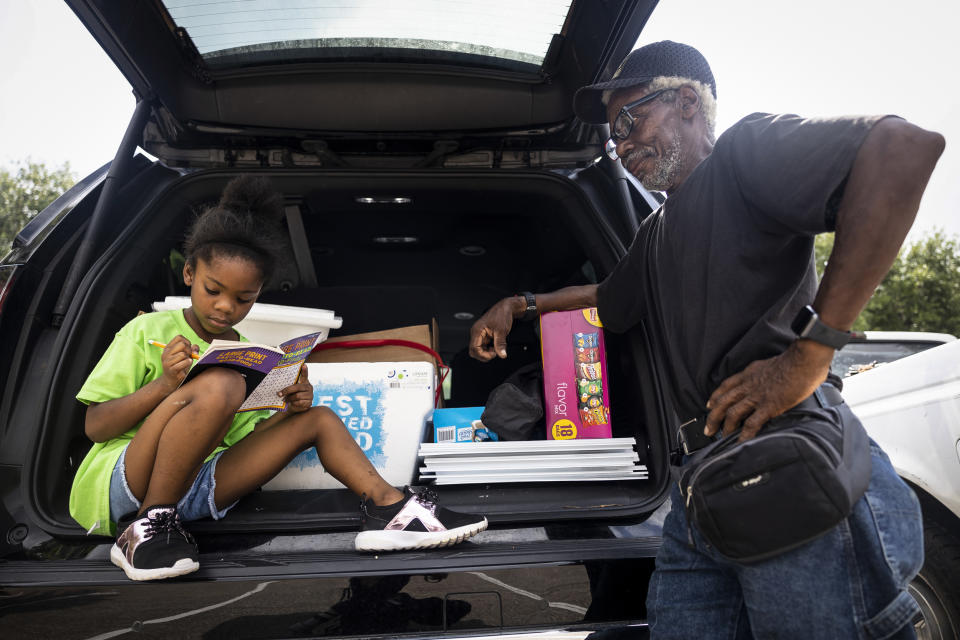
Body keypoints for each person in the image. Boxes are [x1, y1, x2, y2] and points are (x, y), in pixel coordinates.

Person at [469, 40, 944, 639]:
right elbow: (606, 298)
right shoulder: (657, 231)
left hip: (784, 459)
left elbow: (903, 149)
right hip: (701, 488)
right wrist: (519, 304)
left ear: (688, 104)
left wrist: (811, 351)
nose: (619, 143)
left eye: (629, 120)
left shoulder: (744, 154)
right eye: (614, 133)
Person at [70, 175, 487, 582]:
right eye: (213, 289)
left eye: (242, 298)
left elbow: (241, 442)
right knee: (222, 383)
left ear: (259, 293)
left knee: (317, 418)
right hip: (131, 482)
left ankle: (391, 509)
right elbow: (96, 426)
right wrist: (164, 385)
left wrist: (284, 411)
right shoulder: (146, 332)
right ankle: (149, 526)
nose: (224, 307)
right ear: (189, 274)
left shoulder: (247, 351)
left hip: (198, 485)